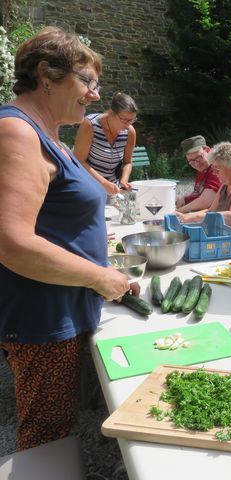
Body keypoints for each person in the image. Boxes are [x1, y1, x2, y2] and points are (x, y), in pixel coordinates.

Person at [0, 27, 132, 451]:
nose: (95, 95)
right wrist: (99, 277)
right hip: (44, 318)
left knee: (60, 430)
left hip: (63, 309)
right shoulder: (17, 131)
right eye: (88, 81)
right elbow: (12, 243)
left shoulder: (45, 130)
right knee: (47, 440)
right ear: (46, 75)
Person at [175, 134, 221, 213]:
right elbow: (198, 193)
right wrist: (184, 198)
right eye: (191, 161)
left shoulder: (215, 169)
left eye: (199, 158)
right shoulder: (203, 169)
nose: (196, 164)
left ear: (207, 150)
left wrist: (178, 212)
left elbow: (205, 202)